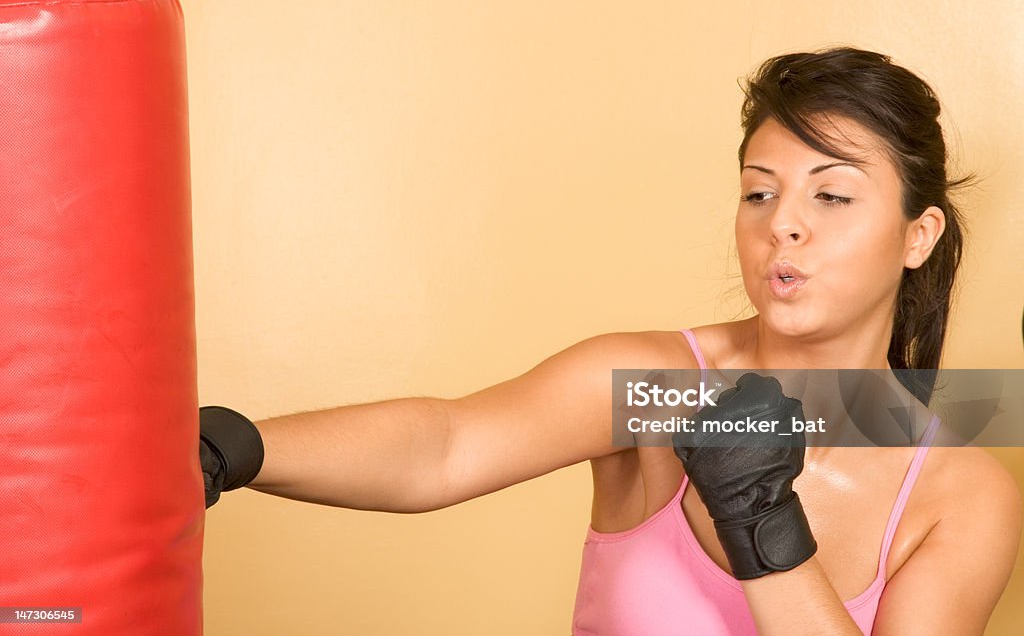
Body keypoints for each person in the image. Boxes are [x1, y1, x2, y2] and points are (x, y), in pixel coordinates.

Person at [199, 46, 1022, 635]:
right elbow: (446, 446)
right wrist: (238, 445)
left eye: (832, 196)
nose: (785, 227)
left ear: (919, 235)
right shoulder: (661, 388)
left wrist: (764, 529)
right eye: (758, 193)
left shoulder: (962, 496)